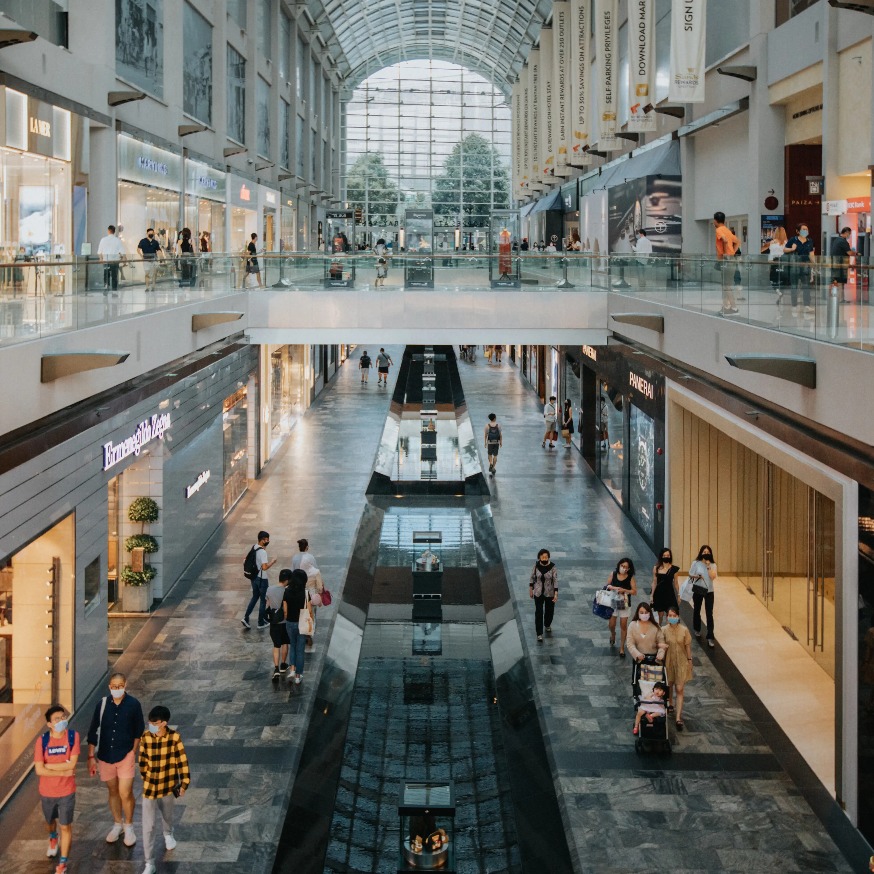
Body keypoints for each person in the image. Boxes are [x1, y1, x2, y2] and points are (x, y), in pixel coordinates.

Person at [86, 672, 145, 847]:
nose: (117, 689)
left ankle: (129, 825)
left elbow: (138, 730)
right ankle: (117, 823)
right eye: (114, 686)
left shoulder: (133, 705)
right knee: (113, 791)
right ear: (109, 686)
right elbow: (93, 730)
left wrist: (132, 752)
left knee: (125, 792)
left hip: (125, 754)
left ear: (125, 685)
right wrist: (91, 756)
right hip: (105, 755)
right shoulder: (102, 704)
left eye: (120, 686)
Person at [138, 705, 191, 874]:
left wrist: (184, 784)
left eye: (155, 722)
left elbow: (182, 762)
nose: (151, 725)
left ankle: (168, 834)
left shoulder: (174, 738)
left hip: (168, 787)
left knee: (167, 816)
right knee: (148, 827)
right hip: (150, 789)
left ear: (164, 723)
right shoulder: (146, 738)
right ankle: (149, 862)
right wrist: (147, 776)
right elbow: (142, 761)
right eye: (150, 722)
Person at [35, 705, 80, 874]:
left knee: (65, 826)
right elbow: (39, 770)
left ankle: (63, 862)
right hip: (47, 792)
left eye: (63, 717)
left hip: (67, 791)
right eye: (57, 719)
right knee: (50, 822)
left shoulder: (73, 737)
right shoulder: (42, 741)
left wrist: (49, 766)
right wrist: (64, 770)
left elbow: (73, 763)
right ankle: (52, 838)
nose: (61, 721)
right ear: (49, 724)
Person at [662, 606, 693, 730]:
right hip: (668, 662)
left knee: (679, 688)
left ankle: (678, 718)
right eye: (670, 615)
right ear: (667, 617)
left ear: (678, 617)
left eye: (674, 615)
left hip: (681, 662)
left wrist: (690, 661)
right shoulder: (663, 630)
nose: (672, 617)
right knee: (669, 684)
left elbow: (688, 647)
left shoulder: (684, 630)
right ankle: (670, 703)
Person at [242, 531, 275, 630]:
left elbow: (245, 559)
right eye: (266, 539)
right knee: (263, 600)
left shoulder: (254, 547)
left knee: (255, 597)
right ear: (262, 540)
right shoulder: (263, 552)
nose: (268, 541)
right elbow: (264, 567)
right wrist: (272, 562)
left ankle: (246, 617)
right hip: (262, 578)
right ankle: (260, 622)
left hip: (253, 577)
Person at [606, 558, 638, 658]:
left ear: (629, 569)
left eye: (625, 567)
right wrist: (614, 588)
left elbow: (634, 591)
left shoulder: (630, 578)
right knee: (611, 624)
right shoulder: (613, 574)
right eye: (622, 566)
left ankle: (622, 648)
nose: (623, 568)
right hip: (613, 602)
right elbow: (607, 586)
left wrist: (624, 590)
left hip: (624, 603)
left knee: (623, 625)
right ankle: (613, 634)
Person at [284, 568, 311, 684]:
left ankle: (292, 669)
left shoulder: (287, 591)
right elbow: (309, 610)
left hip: (290, 622)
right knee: (300, 650)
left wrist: (288, 618)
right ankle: (298, 676)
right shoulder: (305, 593)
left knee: (293, 646)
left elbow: (285, 610)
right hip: (302, 624)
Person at [689, 544, 718, 648]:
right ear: (701, 553)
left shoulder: (713, 565)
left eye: (708, 552)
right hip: (698, 589)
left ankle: (710, 636)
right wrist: (697, 576)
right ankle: (697, 629)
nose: (706, 554)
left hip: (709, 591)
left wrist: (708, 566)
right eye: (704, 552)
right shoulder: (695, 563)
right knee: (697, 609)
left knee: (709, 613)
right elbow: (690, 574)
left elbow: (713, 577)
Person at [783, 224, 816, 318]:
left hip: (805, 266)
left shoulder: (810, 241)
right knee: (794, 286)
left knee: (806, 286)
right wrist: (792, 249)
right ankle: (794, 306)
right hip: (794, 266)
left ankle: (806, 305)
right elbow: (785, 249)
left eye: (807, 229)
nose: (805, 231)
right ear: (798, 231)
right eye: (803, 229)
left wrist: (815, 264)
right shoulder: (793, 240)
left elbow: (811, 254)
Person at [713, 211, 740, 315]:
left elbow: (724, 240)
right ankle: (725, 306)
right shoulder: (728, 230)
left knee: (726, 285)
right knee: (725, 284)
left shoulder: (719, 230)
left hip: (726, 261)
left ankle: (734, 308)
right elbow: (737, 241)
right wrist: (732, 252)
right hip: (731, 259)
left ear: (715, 221)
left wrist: (725, 254)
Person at [529, 548, 558, 643]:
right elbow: (532, 577)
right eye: (542, 557)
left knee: (549, 610)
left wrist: (556, 593)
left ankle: (547, 624)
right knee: (539, 612)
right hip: (538, 592)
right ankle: (539, 633)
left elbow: (555, 580)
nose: (544, 558)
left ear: (548, 557)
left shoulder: (553, 567)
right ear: (539, 557)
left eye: (546, 557)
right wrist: (531, 589)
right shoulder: (536, 566)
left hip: (549, 592)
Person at [266, 570, 290, 680]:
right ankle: (283, 665)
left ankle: (276, 669)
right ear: (286, 581)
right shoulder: (286, 592)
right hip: (284, 622)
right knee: (285, 643)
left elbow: (268, 604)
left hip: (274, 622)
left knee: (276, 645)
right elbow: (286, 608)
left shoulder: (270, 589)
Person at [650, 547, 680, 625]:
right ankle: (659, 628)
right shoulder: (656, 568)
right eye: (664, 555)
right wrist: (652, 595)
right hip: (659, 593)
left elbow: (676, 583)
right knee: (660, 614)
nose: (666, 557)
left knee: (670, 613)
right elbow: (654, 582)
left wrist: (679, 595)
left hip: (669, 593)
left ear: (670, 556)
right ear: (661, 556)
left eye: (668, 555)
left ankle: (668, 631)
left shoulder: (674, 569)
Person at [829, 226, 856, 303]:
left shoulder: (837, 240)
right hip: (840, 265)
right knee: (839, 282)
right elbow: (849, 253)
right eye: (849, 234)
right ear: (846, 232)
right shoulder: (843, 241)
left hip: (836, 264)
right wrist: (856, 253)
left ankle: (838, 298)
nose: (849, 235)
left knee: (837, 281)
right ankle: (840, 299)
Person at [762, 226, 789, 300]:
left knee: (773, 279)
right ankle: (780, 293)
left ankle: (777, 291)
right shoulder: (787, 243)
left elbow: (768, 252)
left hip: (773, 263)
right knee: (781, 279)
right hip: (783, 263)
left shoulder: (772, 242)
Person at [98, 225, 125, 296]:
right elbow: (122, 252)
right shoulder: (118, 240)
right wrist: (124, 260)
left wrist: (101, 259)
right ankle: (114, 291)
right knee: (114, 276)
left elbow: (99, 252)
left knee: (106, 275)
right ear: (114, 231)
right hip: (115, 261)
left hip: (106, 261)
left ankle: (106, 288)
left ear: (108, 231)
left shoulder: (103, 240)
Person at [137, 228, 162, 292]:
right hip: (146, 260)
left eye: (152, 233)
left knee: (154, 273)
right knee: (147, 273)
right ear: (147, 233)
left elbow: (158, 249)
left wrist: (160, 255)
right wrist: (141, 256)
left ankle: (153, 286)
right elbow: (138, 249)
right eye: (150, 233)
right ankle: (147, 287)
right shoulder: (143, 241)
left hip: (154, 259)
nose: (151, 234)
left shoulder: (155, 242)